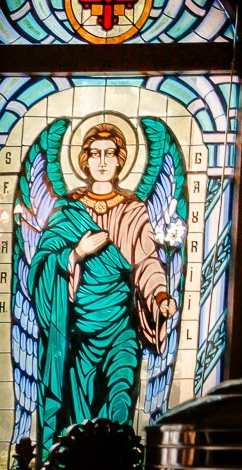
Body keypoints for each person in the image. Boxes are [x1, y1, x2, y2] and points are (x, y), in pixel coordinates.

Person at [32, 121, 177, 450]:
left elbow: (147, 261)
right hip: (79, 329)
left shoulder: (133, 209)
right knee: (78, 407)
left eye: (109, 154)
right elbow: (43, 264)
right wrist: (76, 253)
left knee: (121, 396)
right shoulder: (67, 209)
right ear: (83, 160)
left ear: (120, 160)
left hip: (120, 325)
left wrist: (160, 295)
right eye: (94, 153)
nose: (101, 161)